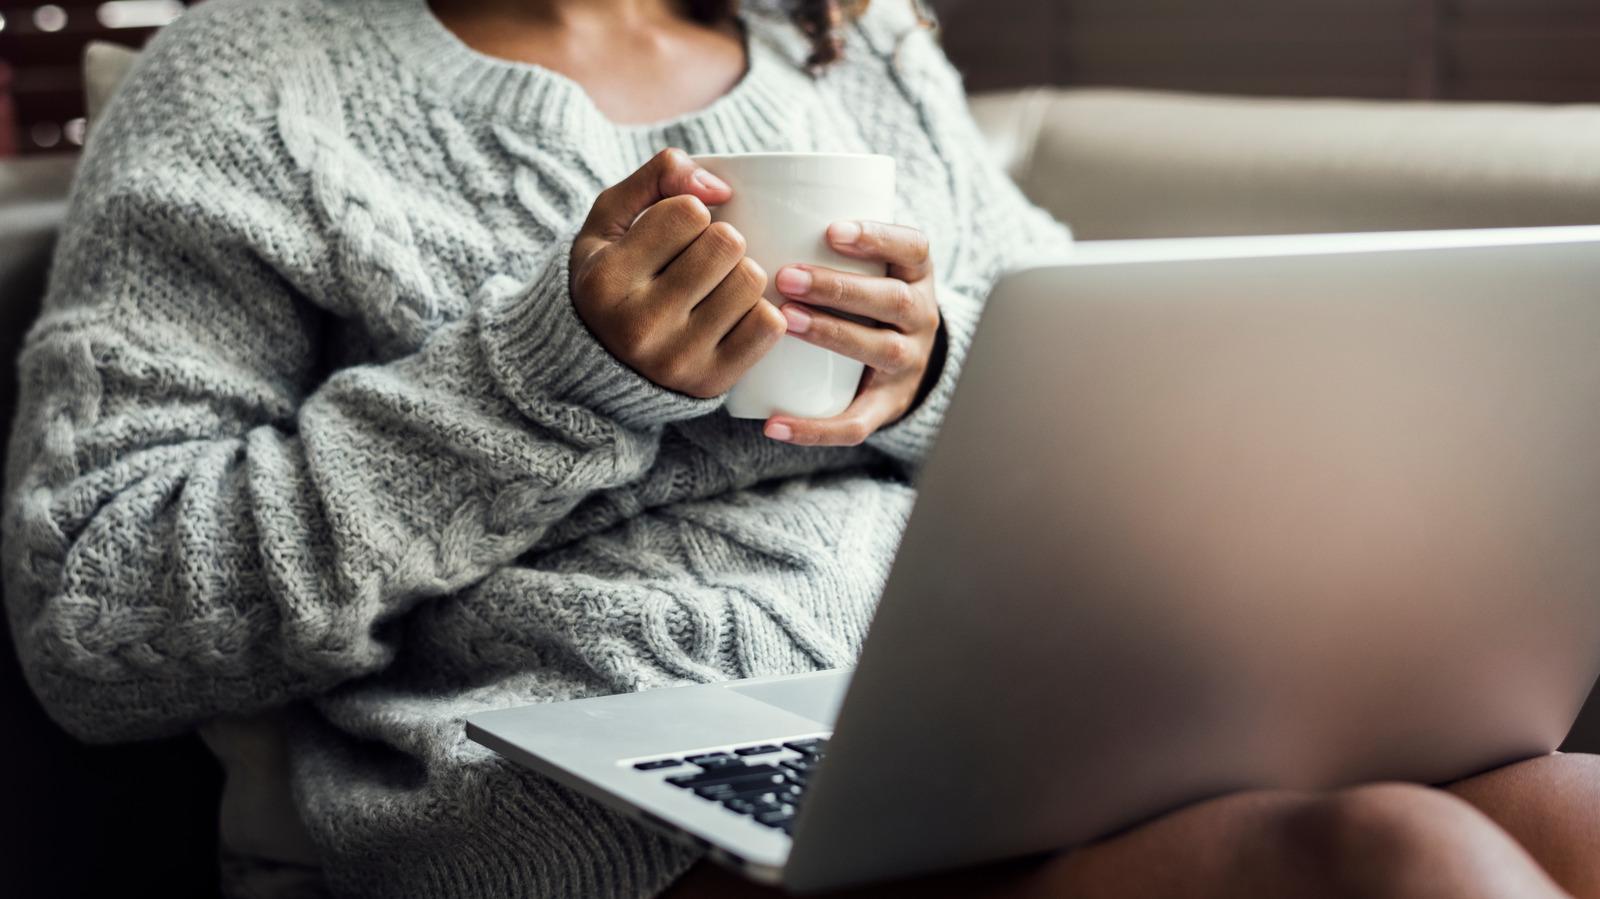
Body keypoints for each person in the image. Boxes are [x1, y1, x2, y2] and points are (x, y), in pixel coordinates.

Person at [2, 0, 1596, 897]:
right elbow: (98, 618)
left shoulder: (855, 44)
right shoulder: (247, 81)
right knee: (1401, 866)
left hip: (983, 715)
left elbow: (1087, 376)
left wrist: (934, 369)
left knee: (1569, 809)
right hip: (623, 805)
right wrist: (542, 379)